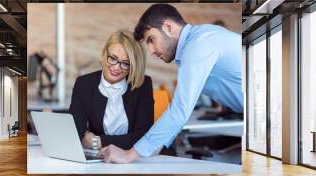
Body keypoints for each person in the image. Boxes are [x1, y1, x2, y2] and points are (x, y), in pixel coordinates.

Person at [98, 4, 243, 163]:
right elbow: (181, 111)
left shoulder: (199, 44)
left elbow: (180, 110)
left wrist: (130, 154)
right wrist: (153, 147)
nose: (151, 51)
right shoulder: (197, 43)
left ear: (168, 27)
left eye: (151, 40)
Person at [69, 30, 154, 152]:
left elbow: (144, 137)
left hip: (133, 159)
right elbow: (76, 131)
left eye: (125, 63)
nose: (116, 67)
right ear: (103, 54)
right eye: (112, 58)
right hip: (99, 160)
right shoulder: (84, 84)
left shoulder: (143, 85)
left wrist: (98, 141)